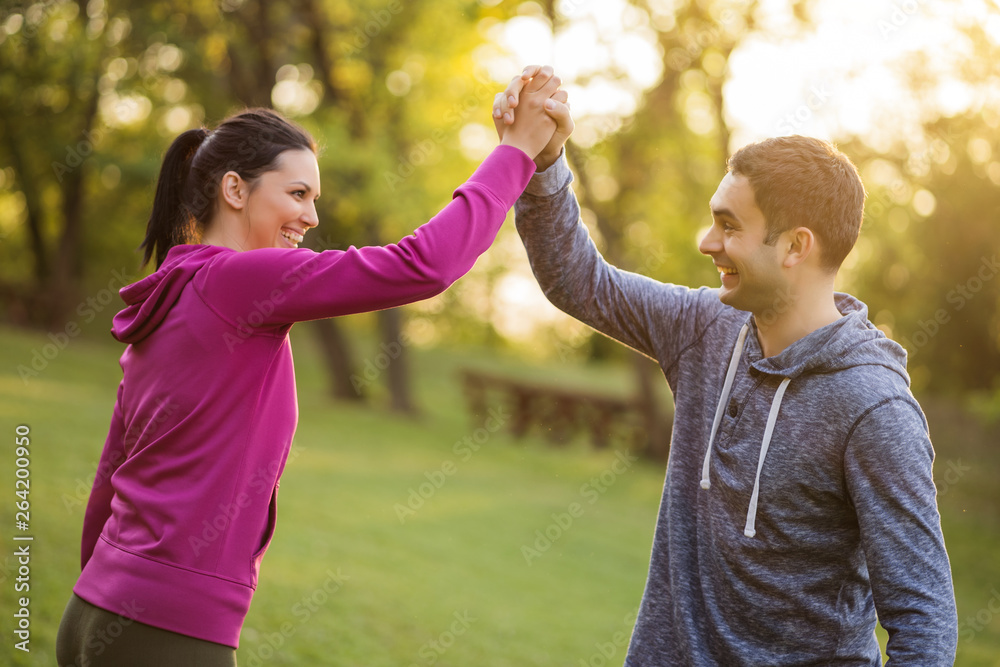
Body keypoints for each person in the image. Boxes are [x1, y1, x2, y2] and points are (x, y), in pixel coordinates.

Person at [57, 72, 565, 666]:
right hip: (169, 629)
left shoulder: (165, 299)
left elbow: (111, 473)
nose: (312, 217)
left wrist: (105, 594)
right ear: (235, 191)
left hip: (93, 611)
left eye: (314, 199)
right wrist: (514, 154)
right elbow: (423, 265)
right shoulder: (239, 281)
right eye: (297, 195)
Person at [494, 66, 958, 665]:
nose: (707, 243)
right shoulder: (705, 328)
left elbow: (926, 627)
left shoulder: (874, 408)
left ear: (796, 246)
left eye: (729, 226)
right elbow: (578, 281)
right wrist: (545, 161)